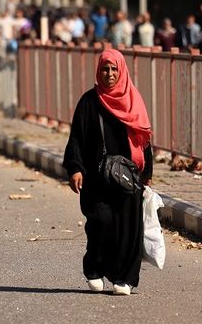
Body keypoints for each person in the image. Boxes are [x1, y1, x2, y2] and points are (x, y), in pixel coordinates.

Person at [63, 48, 153, 296]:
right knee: (100, 224)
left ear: (121, 70)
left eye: (114, 69)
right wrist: (75, 168)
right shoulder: (89, 102)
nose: (110, 73)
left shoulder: (133, 100)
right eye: (105, 68)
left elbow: (143, 139)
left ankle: (125, 278)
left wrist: (147, 174)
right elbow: (77, 139)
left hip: (129, 178)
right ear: (98, 70)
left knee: (128, 229)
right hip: (96, 178)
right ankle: (94, 269)